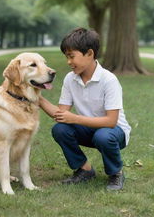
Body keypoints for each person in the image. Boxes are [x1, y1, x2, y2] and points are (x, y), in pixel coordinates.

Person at [39, 27, 131, 191]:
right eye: (66, 57)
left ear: (89, 54)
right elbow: (62, 115)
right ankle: (84, 170)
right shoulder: (70, 79)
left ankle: (116, 173)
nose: (68, 62)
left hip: (115, 132)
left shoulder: (108, 80)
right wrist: (37, 99)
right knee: (60, 129)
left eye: (71, 56)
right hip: (89, 130)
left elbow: (111, 122)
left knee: (103, 135)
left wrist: (75, 118)